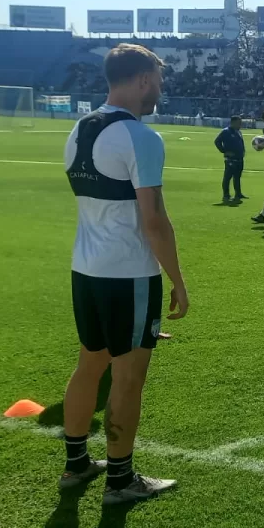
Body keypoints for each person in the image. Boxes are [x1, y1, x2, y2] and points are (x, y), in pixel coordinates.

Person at [61, 43, 188, 504]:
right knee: (127, 377)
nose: (160, 87)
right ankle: (120, 479)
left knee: (89, 365)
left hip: (86, 269)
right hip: (129, 274)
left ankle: (77, 464)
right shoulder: (140, 136)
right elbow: (154, 220)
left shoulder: (79, 128)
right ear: (140, 80)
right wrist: (177, 279)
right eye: (157, 78)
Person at [214, 115, 246, 203]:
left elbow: (241, 143)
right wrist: (224, 151)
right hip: (230, 160)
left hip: (239, 159)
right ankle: (226, 195)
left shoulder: (238, 131)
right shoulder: (226, 131)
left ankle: (238, 194)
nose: (240, 125)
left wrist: (243, 151)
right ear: (233, 122)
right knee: (227, 177)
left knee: (237, 177)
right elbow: (217, 141)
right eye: (239, 123)